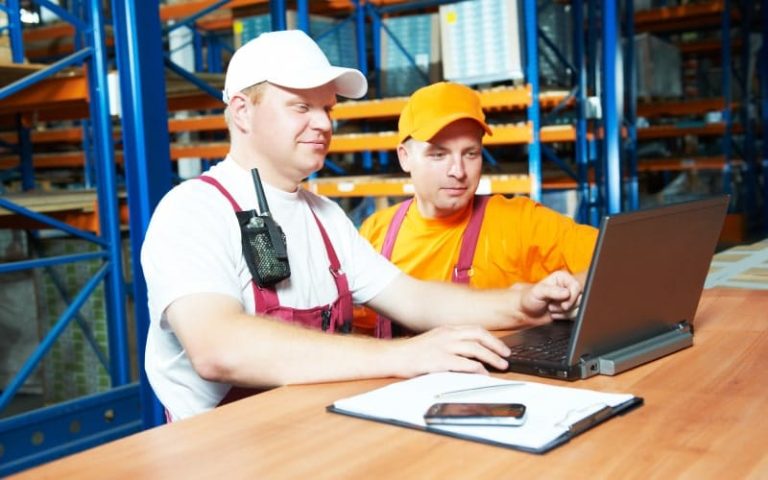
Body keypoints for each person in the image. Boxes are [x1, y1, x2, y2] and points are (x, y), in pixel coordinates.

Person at [141, 30, 583, 421]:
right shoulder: (193, 211)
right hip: (225, 455)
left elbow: (416, 299)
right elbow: (220, 349)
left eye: (327, 108)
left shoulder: (325, 217)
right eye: (301, 106)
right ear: (242, 111)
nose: (323, 123)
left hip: (317, 434)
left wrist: (523, 304)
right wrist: (404, 355)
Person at [358, 82, 598, 337]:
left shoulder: (520, 222)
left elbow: (616, 255)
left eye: (471, 153)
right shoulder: (375, 234)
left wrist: (572, 290)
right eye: (439, 155)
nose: (458, 171)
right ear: (404, 157)